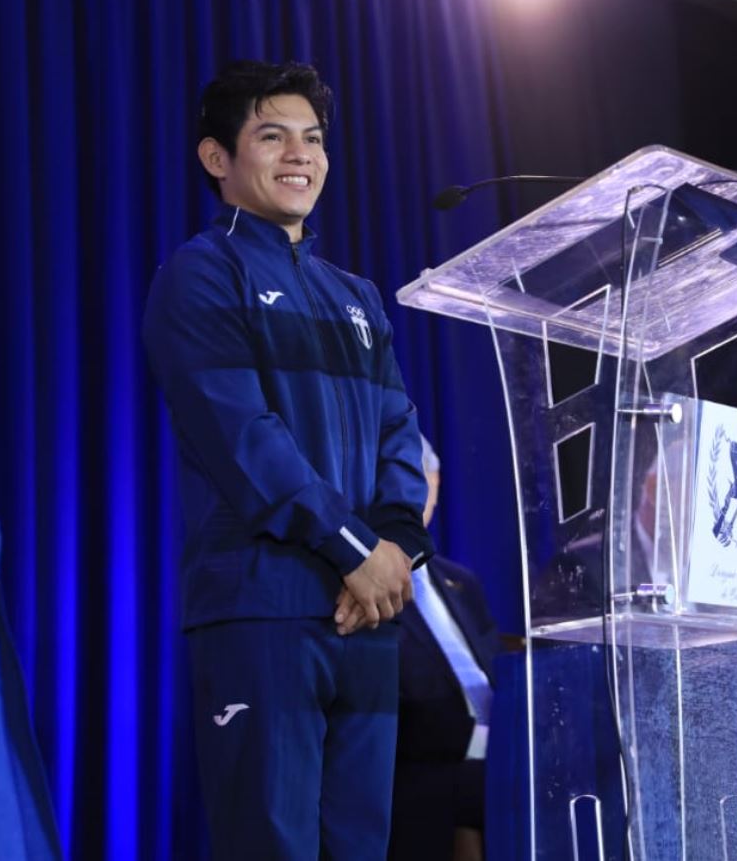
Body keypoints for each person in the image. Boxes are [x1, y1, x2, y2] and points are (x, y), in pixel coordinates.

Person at [142, 60, 432, 859]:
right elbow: (245, 441)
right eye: (272, 136)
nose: (299, 154)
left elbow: (399, 434)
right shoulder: (200, 273)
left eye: (312, 138)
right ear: (217, 159)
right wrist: (356, 554)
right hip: (263, 608)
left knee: (359, 845)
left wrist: (395, 552)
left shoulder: (360, 295)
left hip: (367, 616)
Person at [389, 437, 501, 861]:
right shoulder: (360, 580)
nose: (411, 493)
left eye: (421, 479)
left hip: (500, 749)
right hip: (423, 761)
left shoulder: (460, 581)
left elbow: (495, 669)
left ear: (435, 484)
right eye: (397, 478)